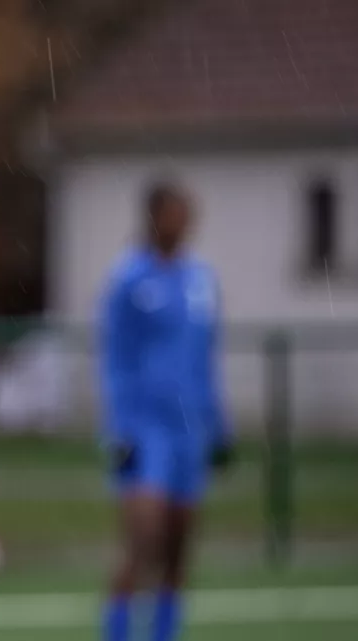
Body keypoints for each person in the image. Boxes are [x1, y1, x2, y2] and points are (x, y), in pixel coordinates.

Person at [99, 183, 233, 641]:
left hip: (190, 431)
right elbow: (116, 358)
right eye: (174, 213)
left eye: (187, 213)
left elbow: (207, 357)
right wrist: (120, 430)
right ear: (154, 218)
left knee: (179, 548)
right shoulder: (129, 279)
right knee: (143, 543)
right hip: (144, 430)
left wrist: (220, 428)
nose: (183, 222)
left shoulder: (201, 279)